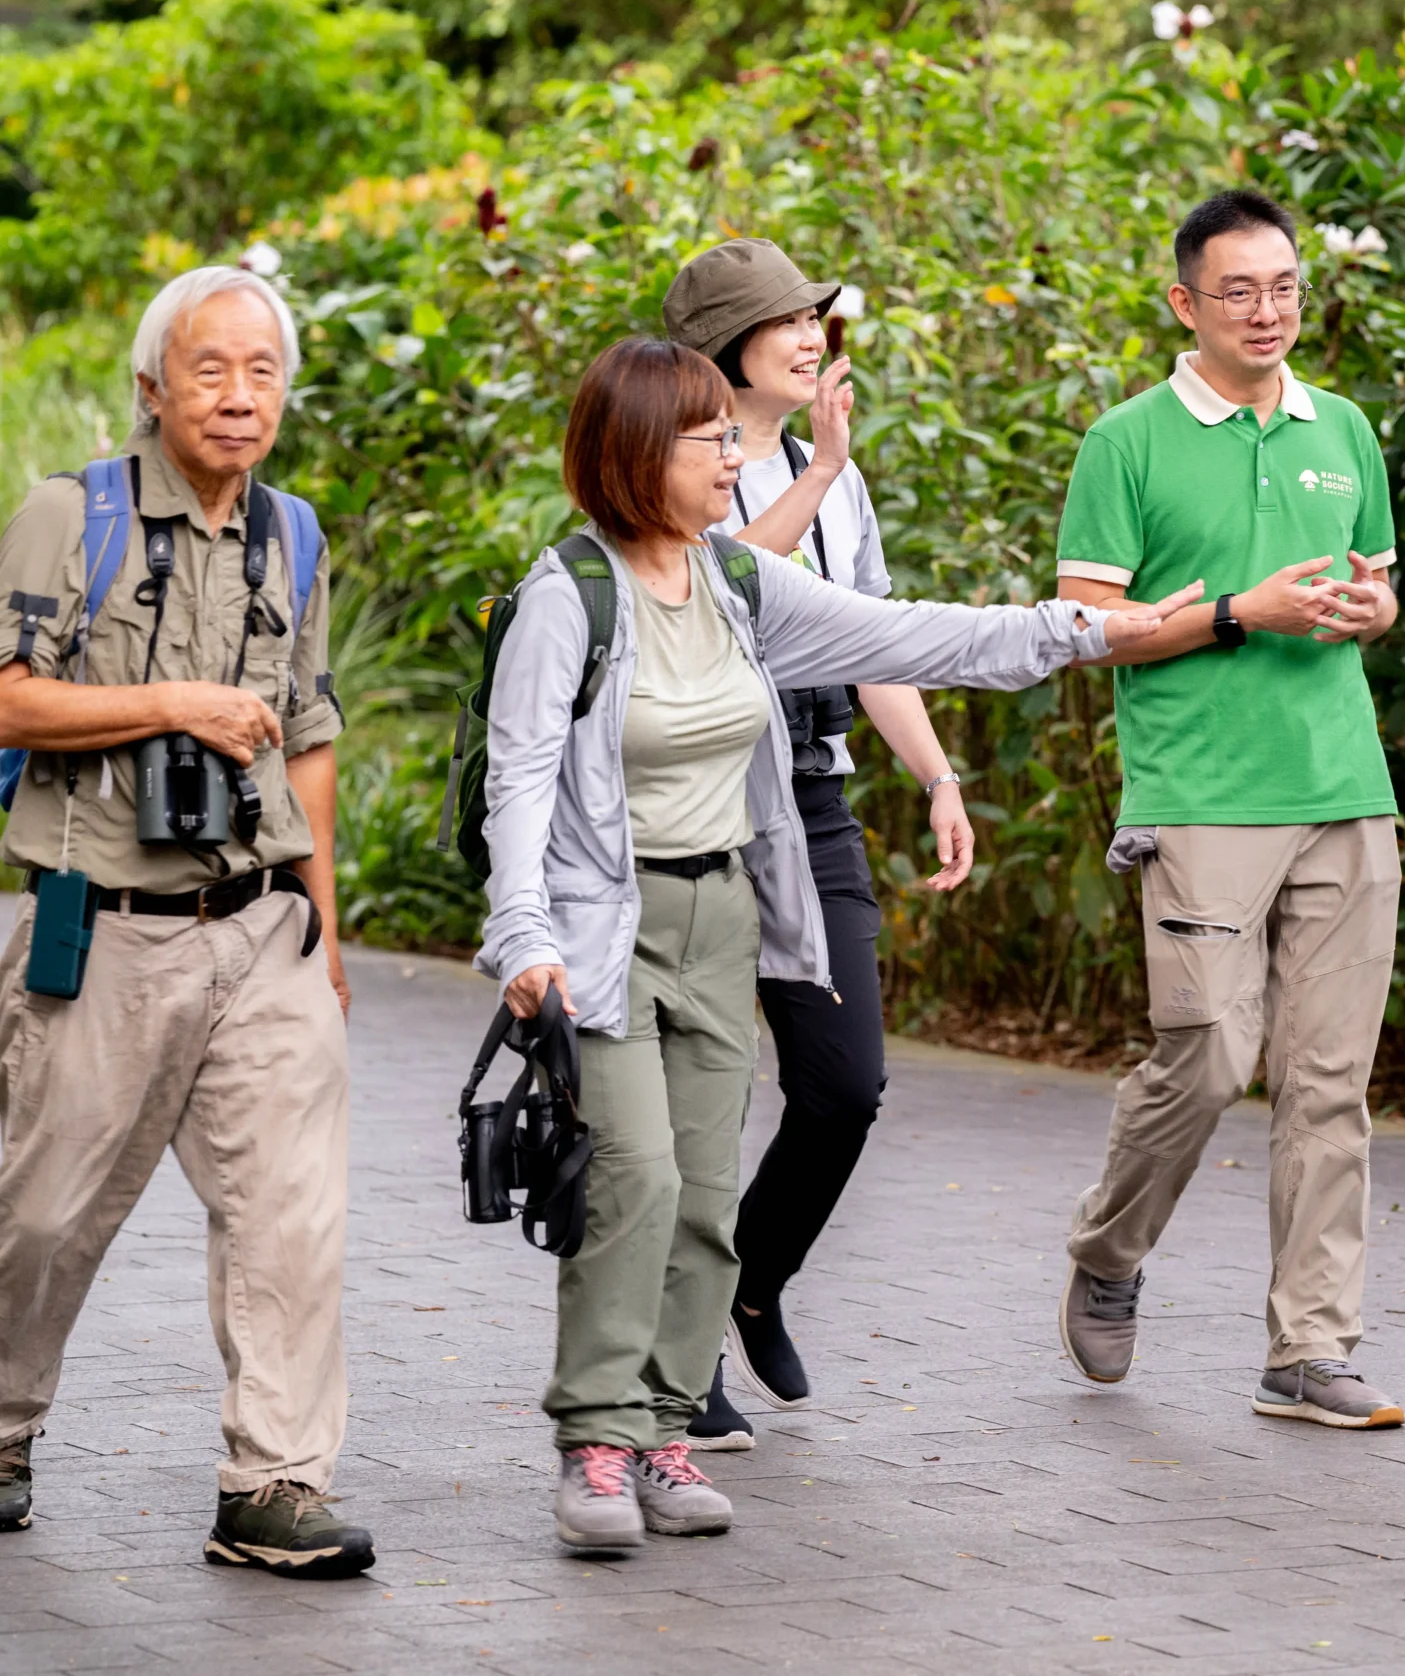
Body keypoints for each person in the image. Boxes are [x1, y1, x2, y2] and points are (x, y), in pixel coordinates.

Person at [478, 337, 1199, 1551]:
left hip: (723, 917)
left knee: (705, 1192)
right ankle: (596, 1441)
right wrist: (521, 937)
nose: (733, 457)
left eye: (731, 436)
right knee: (636, 1178)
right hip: (604, 930)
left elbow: (915, 637)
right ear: (635, 453)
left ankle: (664, 1431)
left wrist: (1089, 630)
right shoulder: (569, 596)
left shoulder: (739, 584)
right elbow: (520, 782)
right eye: (709, 439)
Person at [0, 265, 371, 1575]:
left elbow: (308, 734)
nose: (240, 396)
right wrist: (175, 703)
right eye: (211, 369)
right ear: (152, 386)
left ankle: (274, 1482)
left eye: (263, 371)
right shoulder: (71, 516)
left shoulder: (293, 534)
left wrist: (325, 926)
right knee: (46, 1217)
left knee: (291, 1211)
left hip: (261, 925)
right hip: (105, 927)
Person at [1052, 189, 1405, 1429]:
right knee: (1206, 1053)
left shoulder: (1343, 428)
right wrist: (1235, 614)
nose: (1266, 312)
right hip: (1200, 795)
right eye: (1239, 291)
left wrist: (1369, 611)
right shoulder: (1126, 443)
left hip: (1344, 789)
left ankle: (1308, 1349)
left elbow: (1378, 589)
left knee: (1329, 1084)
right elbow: (1089, 627)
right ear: (1185, 302)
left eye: (1284, 287)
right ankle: (1108, 1249)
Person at [660, 239, 974, 1448]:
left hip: (811, 800)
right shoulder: (667, 459)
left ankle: (754, 1279)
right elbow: (721, 589)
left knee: (844, 1089)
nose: (810, 337)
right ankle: (682, 1351)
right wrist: (825, 471)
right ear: (722, 346)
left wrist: (937, 776)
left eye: (814, 317)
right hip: (694, 809)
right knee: (695, 1101)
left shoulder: (826, 472)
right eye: (784, 319)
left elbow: (869, 640)